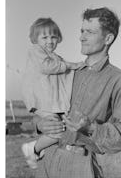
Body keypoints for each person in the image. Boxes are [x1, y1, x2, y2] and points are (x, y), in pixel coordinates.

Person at [31, 7, 121, 178]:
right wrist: (39, 124)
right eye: (81, 31)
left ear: (108, 38)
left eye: (89, 32)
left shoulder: (120, 80)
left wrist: (91, 127)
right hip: (46, 161)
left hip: (81, 166)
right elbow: (42, 106)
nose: (81, 37)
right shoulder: (66, 70)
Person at [21, 17, 83, 168]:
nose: (50, 40)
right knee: (56, 128)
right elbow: (48, 67)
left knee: (68, 125)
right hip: (41, 99)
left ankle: (65, 146)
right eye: (45, 37)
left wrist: (78, 69)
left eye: (53, 36)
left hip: (53, 101)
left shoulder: (56, 57)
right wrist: (72, 65)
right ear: (35, 39)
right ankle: (33, 148)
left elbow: (64, 79)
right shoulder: (35, 51)